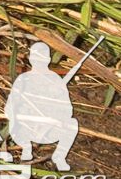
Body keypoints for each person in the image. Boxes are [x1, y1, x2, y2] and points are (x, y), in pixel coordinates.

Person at [6, 42, 78, 171]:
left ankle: (59, 156)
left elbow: (67, 109)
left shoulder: (55, 80)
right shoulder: (23, 79)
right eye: (36, 57)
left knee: (72, 124)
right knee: (14, 121)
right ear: (31, 59)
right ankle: (26, 148)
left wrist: (54, 115)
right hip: (26, 129)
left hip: (50, 130)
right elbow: (10, 105)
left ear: (48, 59)